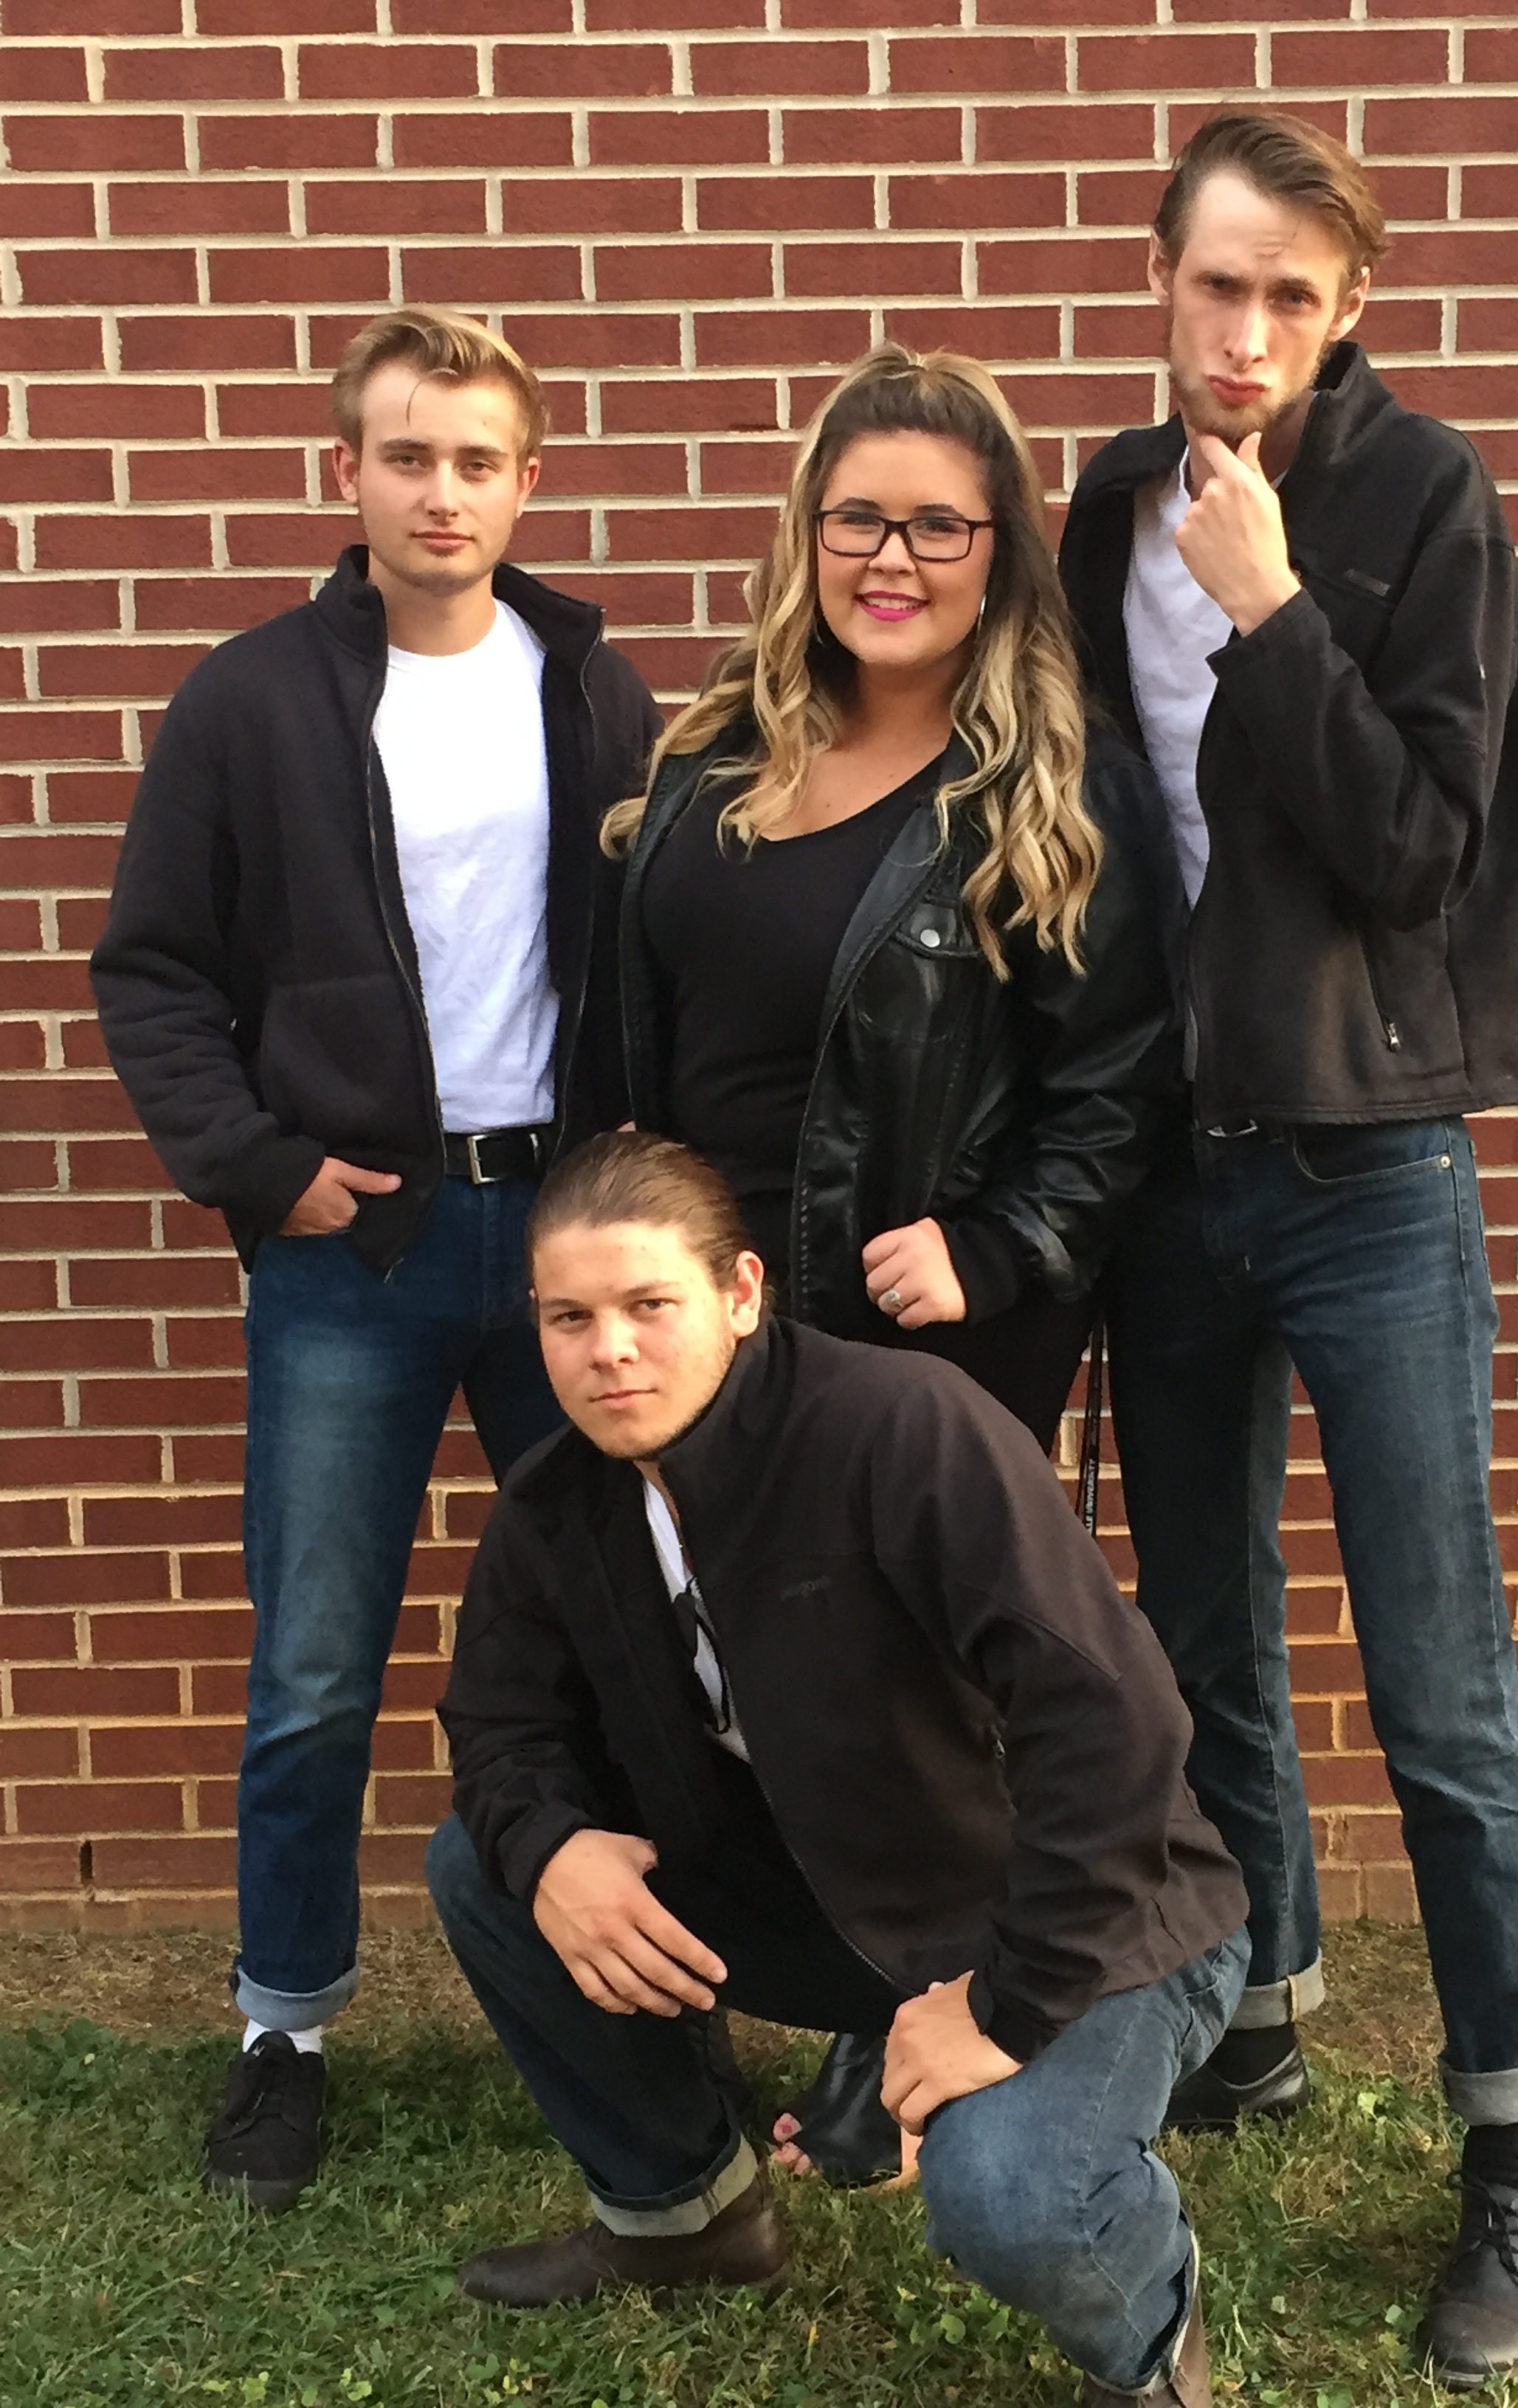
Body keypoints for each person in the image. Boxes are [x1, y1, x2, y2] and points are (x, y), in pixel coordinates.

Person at [1057, 111, 1518, 2388]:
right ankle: (1255, 2018)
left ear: (1344, 308)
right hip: (1174, 1179)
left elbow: (1419, 853)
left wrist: (1275, 608)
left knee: (1439, 1688)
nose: (1248, 330)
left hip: (1371, 1171)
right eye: (1215, 285)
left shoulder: (1415, 505)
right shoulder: (1094, 511)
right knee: (1202, 1651)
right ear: (1159, 287)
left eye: (1293, 292)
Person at [89, 307, 660, 2213]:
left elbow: (657, 950)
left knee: (628, 1632)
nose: (442, 490)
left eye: (478, 457)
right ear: (348, 471)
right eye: (407, 453)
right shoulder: (250, 701)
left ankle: (650, 1991)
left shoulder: (589, 688)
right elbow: (155, 969)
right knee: (319, 1662)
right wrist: (264, 1171)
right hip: (358, 1246)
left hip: (566, 1237)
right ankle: (285, 2026)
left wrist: (640, 1188)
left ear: (528, 479)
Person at [427, 1130, 1249, 2408]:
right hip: (838, 1902)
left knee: (1013, 2196)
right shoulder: (559, 1500)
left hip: (1097, 1918)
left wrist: (1000, 2006)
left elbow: (1117, 1725)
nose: (611, 1352)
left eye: (651, 1305)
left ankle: (1151, 2330)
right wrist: (550, 1846)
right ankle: (684, 2212)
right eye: (570, 1318)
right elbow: (495, 1720)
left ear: (742, 1295)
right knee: (489, 1866)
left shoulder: (900, 1430)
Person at [607, 341, 1179, 1457]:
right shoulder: (716, 755)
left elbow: (1121, 1085)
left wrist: (996, 1248)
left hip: (919, 1332)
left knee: (898, 1629)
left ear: (999, 552)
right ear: (809, 534)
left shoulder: (1064, 792)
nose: (892, 559)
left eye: (938, 526)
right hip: (704, 1320)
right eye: (857, 518)